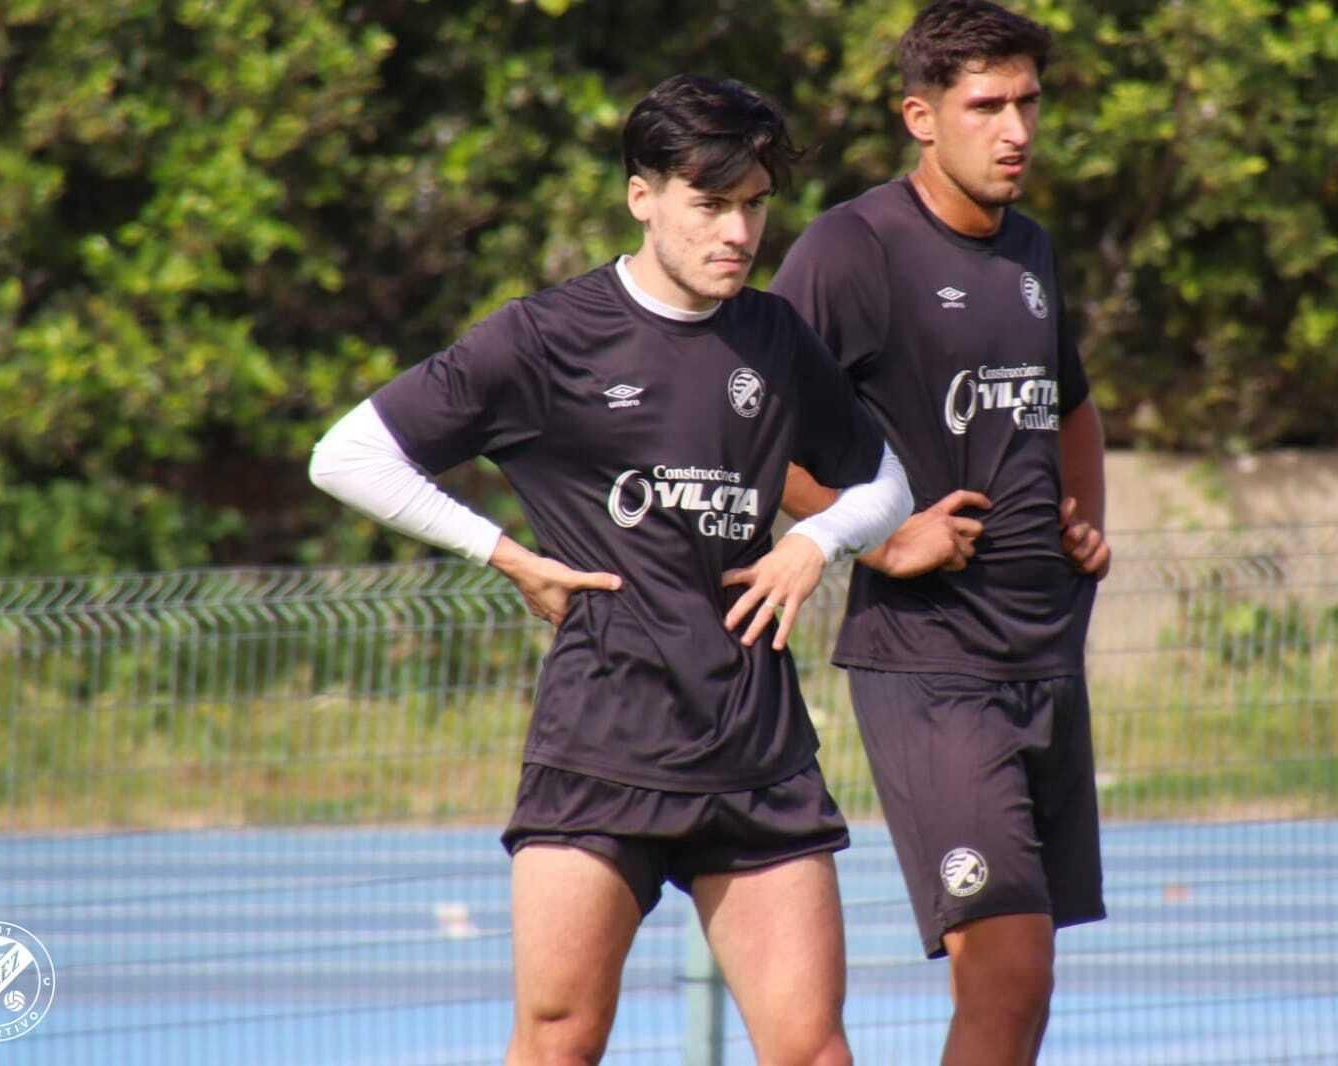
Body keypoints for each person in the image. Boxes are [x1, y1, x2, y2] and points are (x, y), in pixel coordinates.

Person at [310, 74, 912, 1066]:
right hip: (601, 744)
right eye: (709, 205)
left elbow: (883, 479)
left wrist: (815, 541)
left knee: (813, 1051)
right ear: (643, 196)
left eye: (755, 206)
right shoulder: (545, 337)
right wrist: (502, 554)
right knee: (558, 1042)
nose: (737, 232)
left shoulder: (773, 337)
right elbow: (345, 454)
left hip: (754, 750)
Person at [769, 3, 1111, 1063]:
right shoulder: (852, 248)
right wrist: (872, 537)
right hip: (930, 669)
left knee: (1023, 997)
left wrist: (1083, 515)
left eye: (1028, 103)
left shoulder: (1032, 251)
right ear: (921, 116)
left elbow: (1070, 403)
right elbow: (746, 419)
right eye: (985, 106)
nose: (1015, 129)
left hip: (1043, 659)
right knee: (1006, 972)